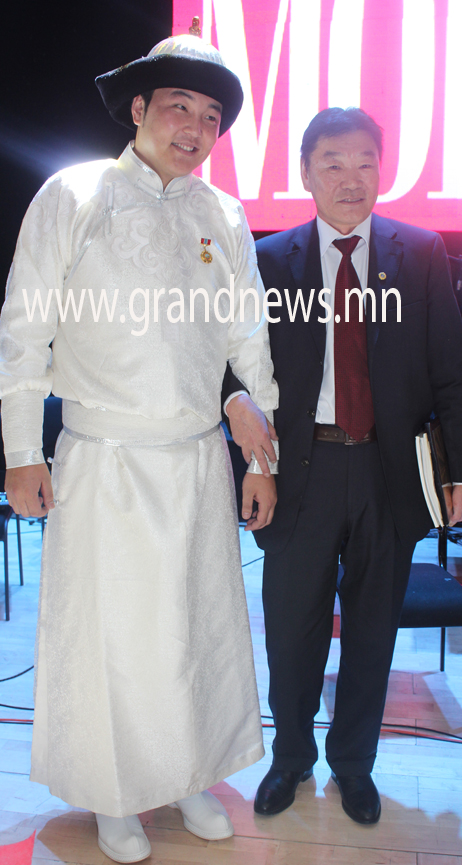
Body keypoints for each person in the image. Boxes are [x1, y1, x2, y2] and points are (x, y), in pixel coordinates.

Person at [0, 29, 278, 862]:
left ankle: (189, 771)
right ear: (138, 108)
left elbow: (248, 337)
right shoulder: (75, 194)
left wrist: (260, 458)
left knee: (193, 630)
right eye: (178, 107)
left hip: (194, 459)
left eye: (211, 116)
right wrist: (22, 450)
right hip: (105, 460)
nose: (195, 128)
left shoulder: (221, 213)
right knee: (113, 635)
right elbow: (24, 330)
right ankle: (113, 793)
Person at [248, 107, 462, 824]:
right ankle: (291, 756)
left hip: (389, 472)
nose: (350, 179)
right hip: (302, 470)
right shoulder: (270, 260)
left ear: (382, 170)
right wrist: (249, 450)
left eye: (364, 163)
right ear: (305, 173)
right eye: (333, 163)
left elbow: (450, 370)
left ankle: (354, 765)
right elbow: (239, 369)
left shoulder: (420, 252)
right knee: (292, 631)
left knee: (373, 631)